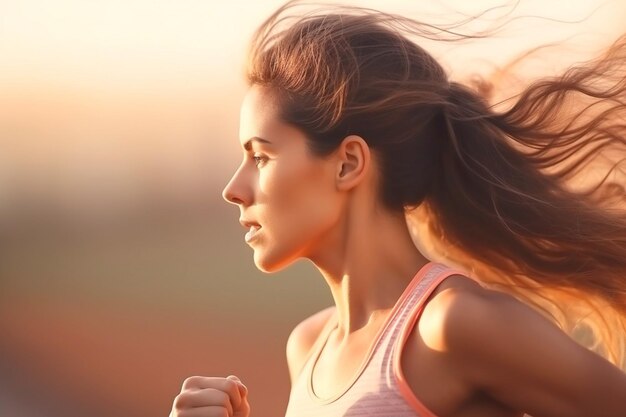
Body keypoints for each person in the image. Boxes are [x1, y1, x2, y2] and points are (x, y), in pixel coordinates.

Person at [170, 1, 626, 416]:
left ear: (348, 163)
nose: (234, 188)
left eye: (261, 156)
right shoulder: (307, 348)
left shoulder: (452, 326)